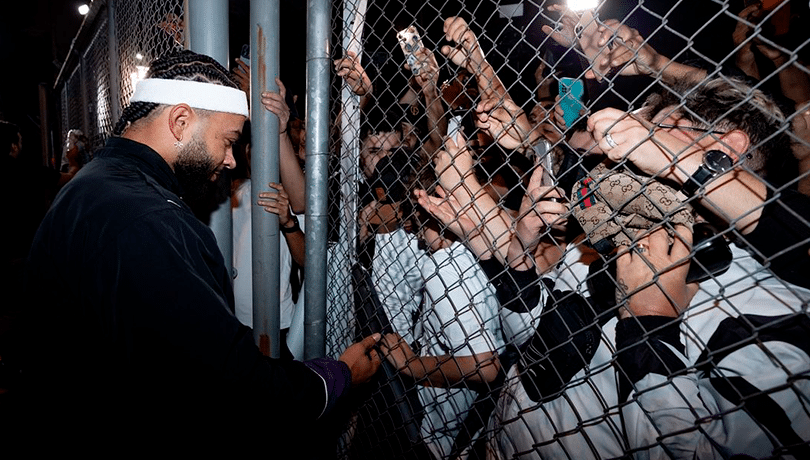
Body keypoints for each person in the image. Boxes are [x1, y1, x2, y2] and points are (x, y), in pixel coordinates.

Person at [14, 50, 381, 453]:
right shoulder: (147, 219)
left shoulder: (99, 184)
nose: (229, 159)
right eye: (227, 142)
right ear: (181, 121)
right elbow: (231, 384)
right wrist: (339, 376)